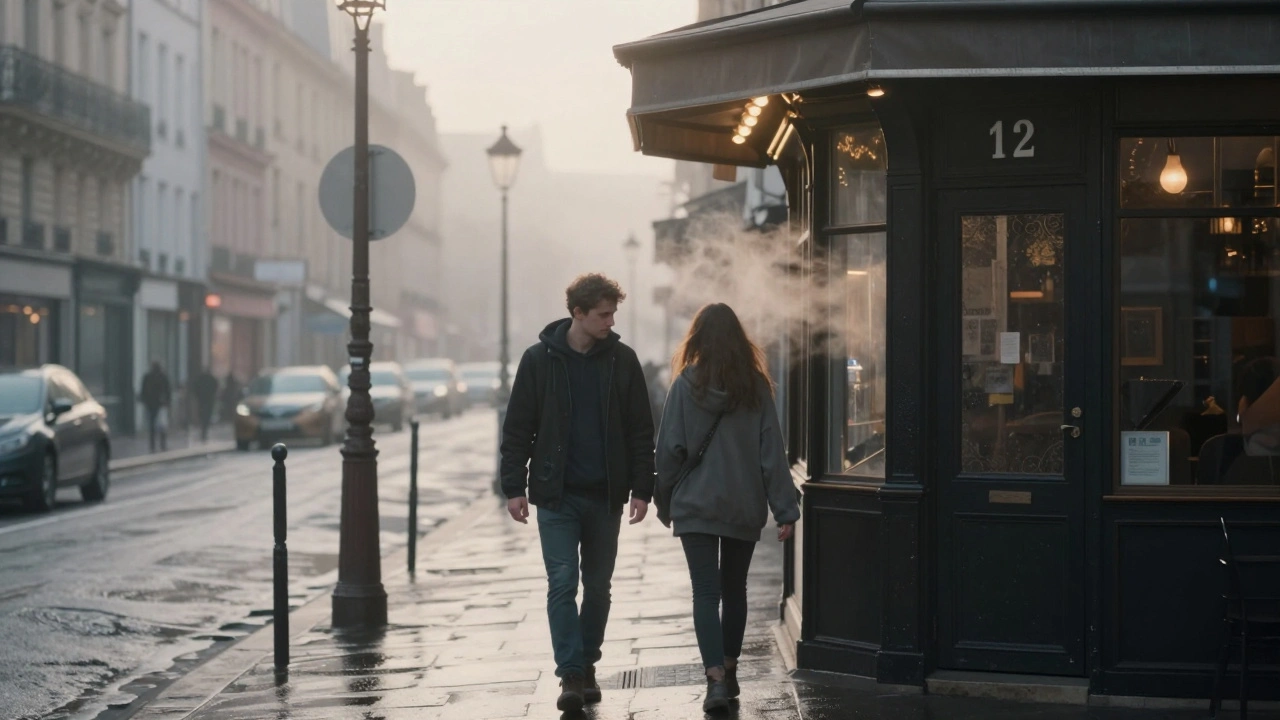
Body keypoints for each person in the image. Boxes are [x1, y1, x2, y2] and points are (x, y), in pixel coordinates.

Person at [500, 273, 656, 713]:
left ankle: (587, 662)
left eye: (613, 313)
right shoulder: (538, 360)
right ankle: (570, 673)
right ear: (578, 313)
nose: (610, 321)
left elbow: (641, 431)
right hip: (556, 494)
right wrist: (514, 486)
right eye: (603, 314)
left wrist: (643, 489)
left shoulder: (622, 361)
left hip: (606, 494)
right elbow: (518, 429)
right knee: (562, 581)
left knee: (600, 587)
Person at [654, 303, 800, 713]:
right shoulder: (755, 388)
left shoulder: (685, 385)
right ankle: (731, 668)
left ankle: (715, 680)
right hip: (741, 504)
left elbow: (669, 450)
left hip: (696, 505)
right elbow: (771, 453)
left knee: (705, 592)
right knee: (735, 589)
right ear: (740, 339)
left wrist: (664, 497)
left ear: (697, 339)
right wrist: (785, 510)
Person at [139, 361, 172, 452]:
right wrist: (168, 402)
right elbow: (168, 391)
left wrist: (144, 400)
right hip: (161, 404)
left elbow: (143, 391)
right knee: (162, 425)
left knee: (152, 425)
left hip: (151, 404)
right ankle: (162, 444)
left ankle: (152, 445)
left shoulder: (147, 377)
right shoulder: (163, 377)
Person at [192, 368, 219, 441]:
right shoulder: (211, 379)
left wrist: (198, 396)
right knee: (207, 416)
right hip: (209, 400)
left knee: (202, 415)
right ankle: (204, 431)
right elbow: (216, 387)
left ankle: (203, 430)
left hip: (202, 400)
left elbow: (195, 387)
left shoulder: (200, 379)